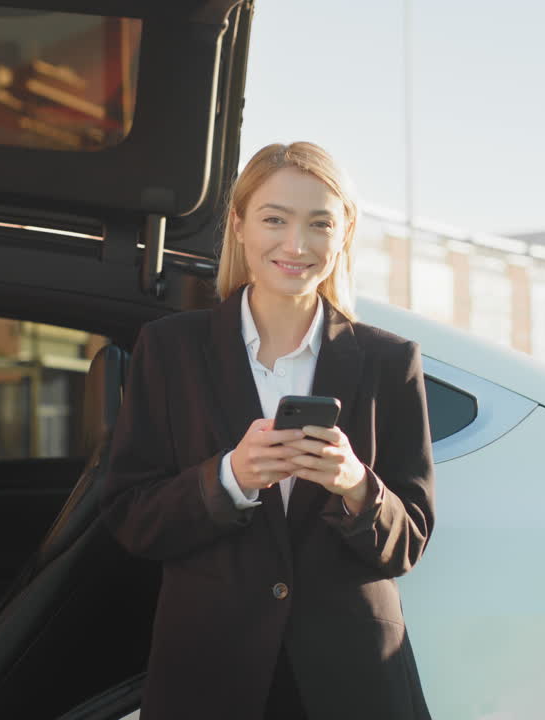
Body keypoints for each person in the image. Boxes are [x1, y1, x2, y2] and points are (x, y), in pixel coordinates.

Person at [100, 142, 436, 719]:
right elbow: (132, 519)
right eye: (274, 219)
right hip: (210, 675)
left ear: (344, 233)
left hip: (352, 684)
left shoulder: (389, 361)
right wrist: (229, 477)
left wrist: (357, 485)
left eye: (319, 223)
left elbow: (407, 542)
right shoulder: (170, 348)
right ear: (238, 225)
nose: (295, 245)